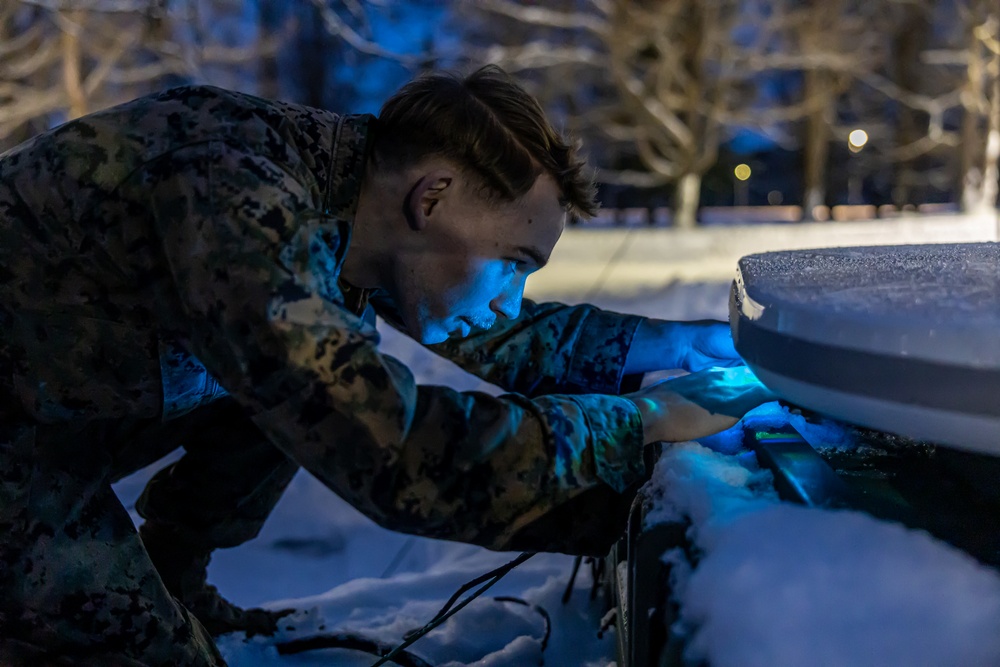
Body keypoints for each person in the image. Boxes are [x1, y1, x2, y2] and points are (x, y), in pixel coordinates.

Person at [0, 65, 775, 665]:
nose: (512, 296)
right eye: (513, 261)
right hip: (17, 444)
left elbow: (505, 336)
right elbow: (387, 445)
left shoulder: (359, 212)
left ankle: (173, 573)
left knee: (300, 371)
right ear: (434, 195)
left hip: (51, 412)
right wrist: (632, 424)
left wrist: (686, 346)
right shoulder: (234, 194)